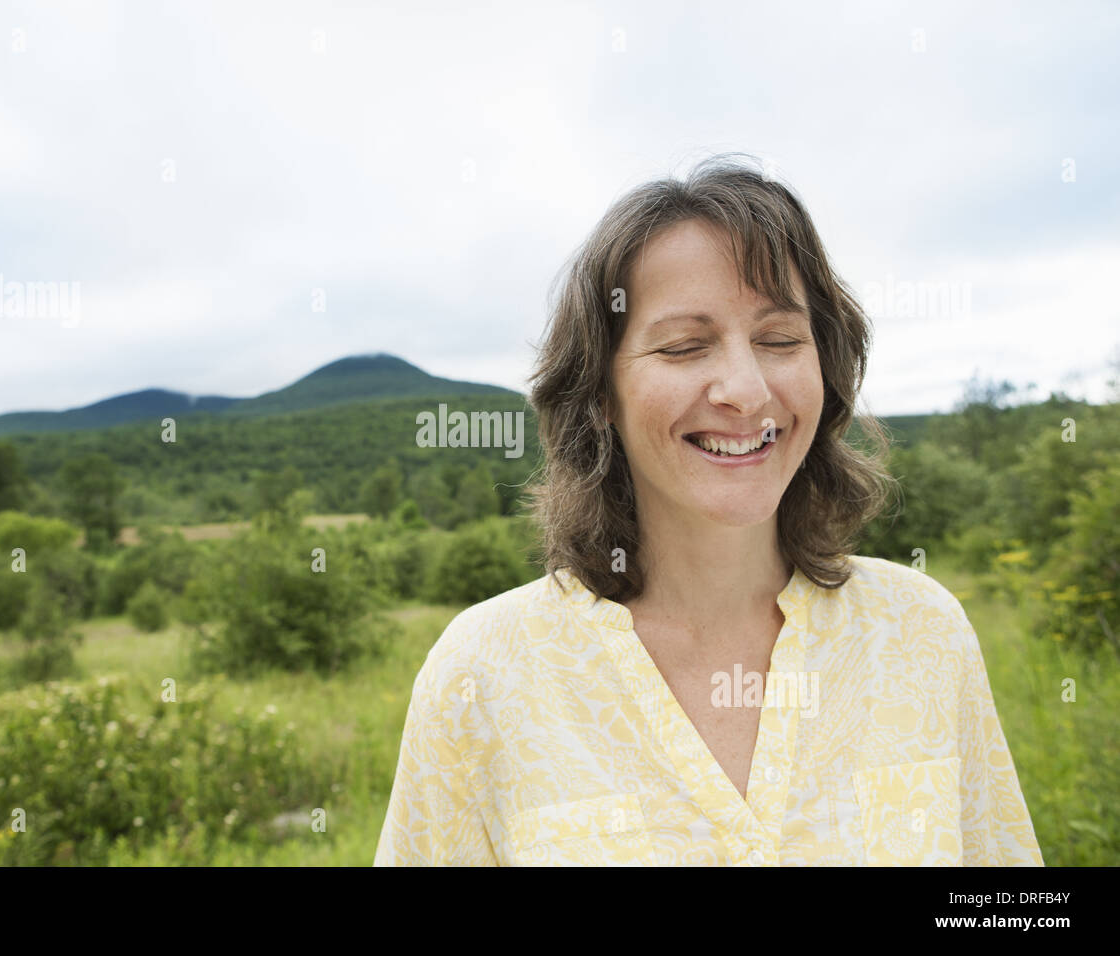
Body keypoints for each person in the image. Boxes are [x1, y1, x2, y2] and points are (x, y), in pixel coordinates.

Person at [373, 154, 1043, 866]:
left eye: (779, 339)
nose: (746, 390)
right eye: (686, 346)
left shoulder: (922, 633)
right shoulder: (481, 675)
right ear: (601, 394)